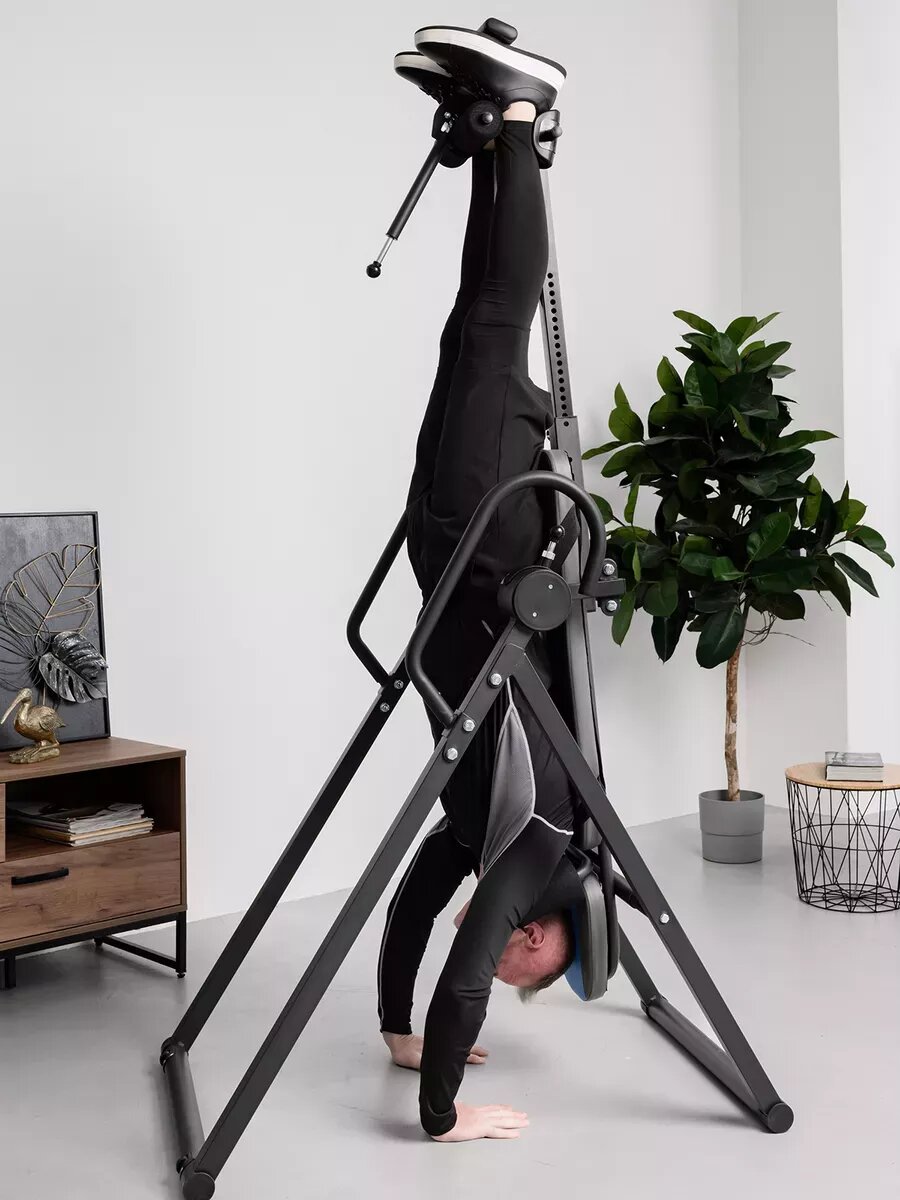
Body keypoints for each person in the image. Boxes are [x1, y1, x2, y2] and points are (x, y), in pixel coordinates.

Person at [377, 29, 579, 1145]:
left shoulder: (476, 829)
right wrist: (443, 1114)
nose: (494, 954)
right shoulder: (537, 842)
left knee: (474, 318)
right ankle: (519, 116)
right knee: (496, 318)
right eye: (515, 962)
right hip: (488, 539)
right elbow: (464, 970)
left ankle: (500, 128)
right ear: (538, 939)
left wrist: (396, 1032)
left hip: (448, 546)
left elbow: (413, 908)